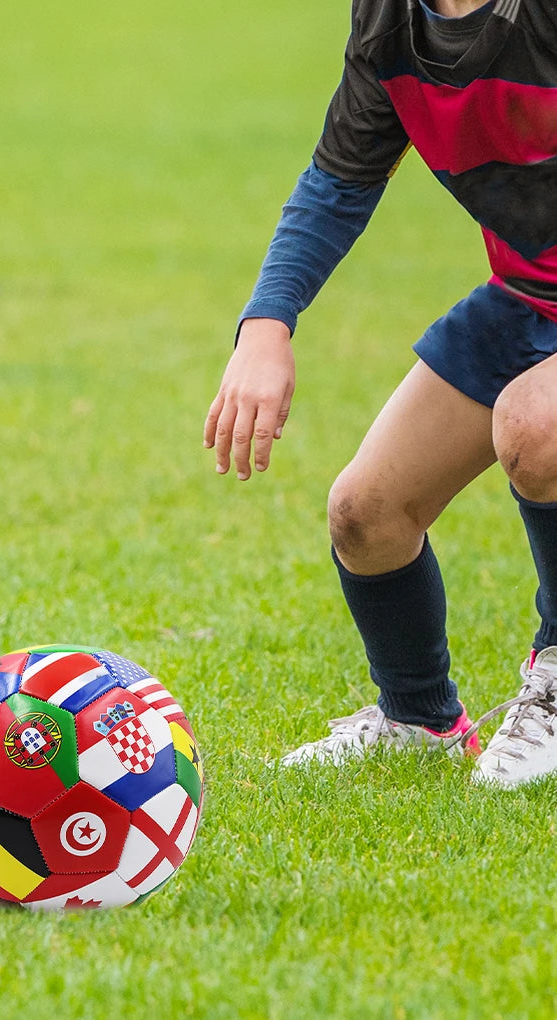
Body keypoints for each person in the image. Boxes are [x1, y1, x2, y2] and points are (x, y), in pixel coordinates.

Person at [204, 0, 557, 784]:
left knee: (534, 426)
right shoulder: (390, 21)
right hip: (529, 298)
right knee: (365, 515)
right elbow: (340, 179)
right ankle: (418, 718)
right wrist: (267, 324)